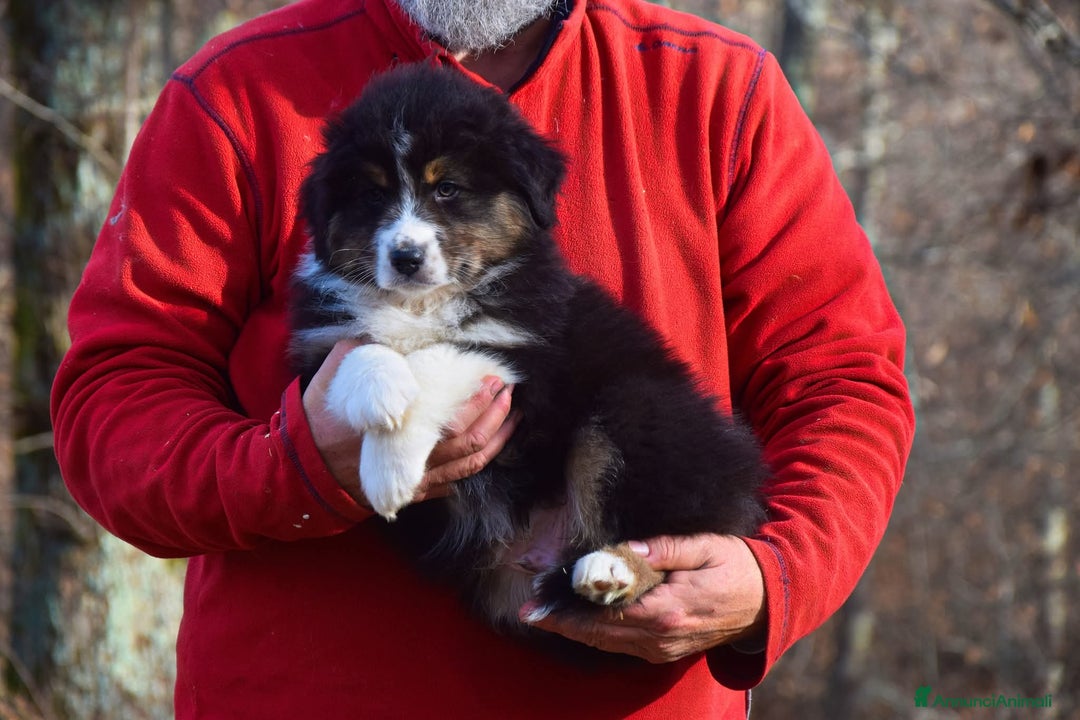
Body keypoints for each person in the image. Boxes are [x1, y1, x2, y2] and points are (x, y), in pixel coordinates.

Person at [50, 0, 915, 717]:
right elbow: (113, 404)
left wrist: (774, 576)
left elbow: (844, 383)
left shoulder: (718, 91)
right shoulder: (235, 93)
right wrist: (293, 469)